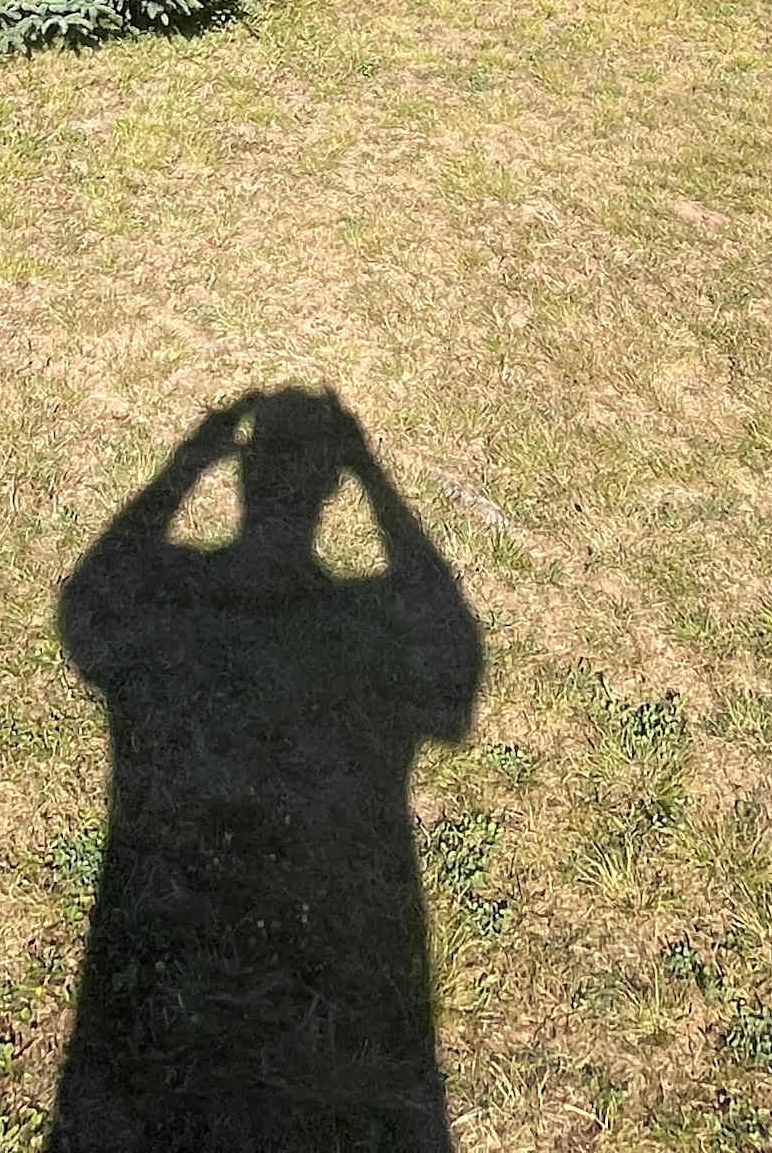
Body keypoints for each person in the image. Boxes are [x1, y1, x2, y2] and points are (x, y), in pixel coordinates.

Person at [53, 388, 483, 1150]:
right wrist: (372, 473)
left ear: (245, 476)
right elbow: (446, 636)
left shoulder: (181, 601)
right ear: (329, 489)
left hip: (164, 950)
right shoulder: (364, 625)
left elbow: (91, 600)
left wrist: (190, 460)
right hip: (348, 960)